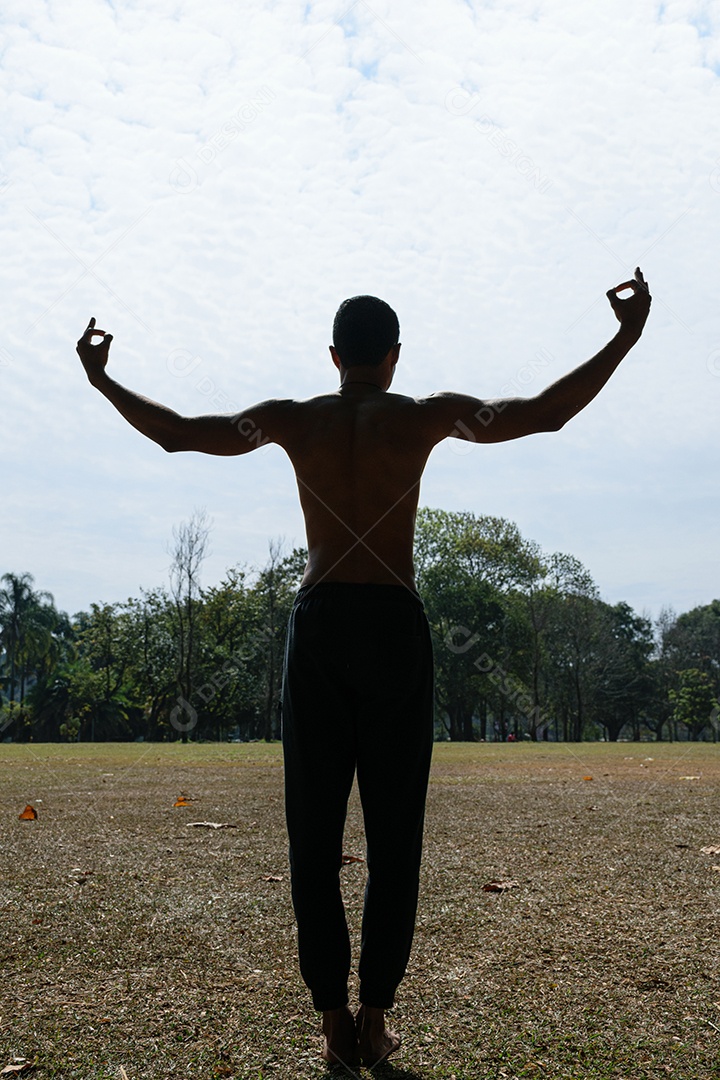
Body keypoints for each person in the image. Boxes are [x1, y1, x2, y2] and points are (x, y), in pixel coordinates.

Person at [76, 269, 651, 1069]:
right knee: (394, 837)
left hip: (320, 628)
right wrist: (625, 335)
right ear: (394, 356)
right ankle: (374, 1015)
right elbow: (544, 416)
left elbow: (180, 433)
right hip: (391, 625)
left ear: (335, 354)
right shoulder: (426, 417)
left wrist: (103, 379)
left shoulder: (292, 419)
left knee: (313, 837)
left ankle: (332, 1019)